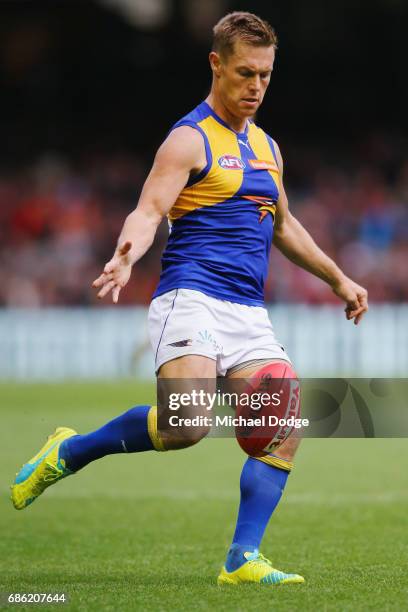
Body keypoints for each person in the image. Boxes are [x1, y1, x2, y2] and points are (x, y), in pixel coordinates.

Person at [11, 12, 368, 586]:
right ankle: (69, 452)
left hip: (247, 311)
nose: (256, 87)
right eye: (245, 73)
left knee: (284, 421)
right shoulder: (189, 138)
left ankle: (242, 559)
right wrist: (127, 252)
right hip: (191, 296)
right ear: (216, 64)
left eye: (267, 76)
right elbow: (149, 208)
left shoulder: (267, 148)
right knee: (188, 424)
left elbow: (283, 226)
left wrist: (338, 277)